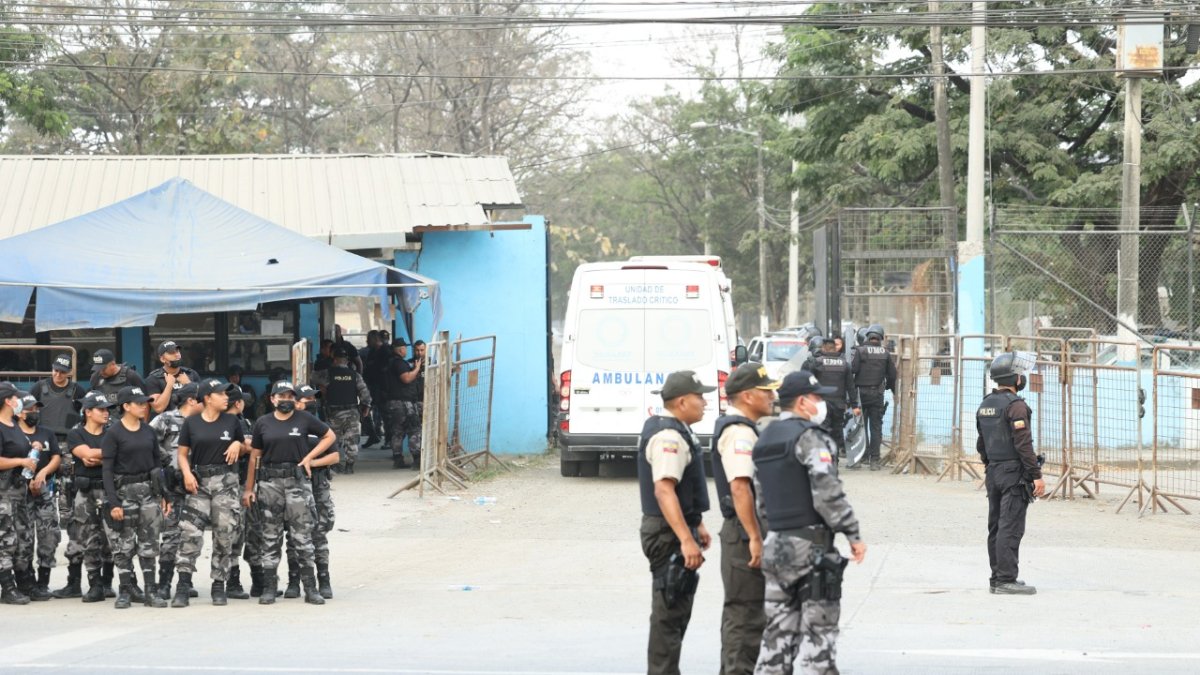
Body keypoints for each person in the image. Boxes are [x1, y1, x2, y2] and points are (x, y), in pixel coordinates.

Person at [752, 371, 868, 675]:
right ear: (803, 402)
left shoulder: (765, 439)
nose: (821, 404)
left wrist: (773, 535)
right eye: (817, 398)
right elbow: (827, 495)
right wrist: (852, 534)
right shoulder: (811, 438)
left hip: (776, 544)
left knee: (777, 636)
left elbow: (760, 500)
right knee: (820, 637)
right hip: (811, 549)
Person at [637, 370, 714, 675]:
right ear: (682, 401)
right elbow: (664, 489)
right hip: (667, 534)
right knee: (669, 613)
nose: (705, 402)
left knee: (676, 608)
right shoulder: (669, 436)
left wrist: (697, 523)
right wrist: (685, 538)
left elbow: (682, 489)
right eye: (699, 397)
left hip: (675, 529)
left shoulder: (677, 429)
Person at [710, 363, 778, 675]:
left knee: (745, 614)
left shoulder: (745, 429)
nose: (772, 396)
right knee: (746, 616)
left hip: (744, 530)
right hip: (742, 533)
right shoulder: (739, 433)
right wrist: (753, 535)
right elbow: (740, 488)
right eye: (766, 391)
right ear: (748, 396)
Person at [242, 380, 335, 605]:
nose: (286, 400)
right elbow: (255, 456)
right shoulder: (263, 423)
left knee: (303, 535)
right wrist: (248, 489)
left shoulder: (304, 419)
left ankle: (310, 588)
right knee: (270, 536)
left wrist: (311, 458)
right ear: (272, 399)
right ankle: (270, 587)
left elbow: (330, 436)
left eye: (290, 396)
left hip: (297, 482)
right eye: (281, 396)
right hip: (270, 483)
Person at [977, 352, 1044, 596]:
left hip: (993, 472)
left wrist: (990, 465)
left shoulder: (985, 404)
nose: (1022, 377)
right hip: (1013, 474)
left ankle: (998, 578)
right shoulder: (1016, 406)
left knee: (996, 526)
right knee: (1010, 526)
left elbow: (981, 443)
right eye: (1020, 374)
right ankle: (1006, 580)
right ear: (1015, 378)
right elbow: (1023, 445)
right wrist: (1035, 474)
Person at [174, 379, 244, 607]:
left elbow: (247, 447)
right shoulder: (191, 423)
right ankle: (183, 585)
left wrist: (238, 445)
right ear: (207, 398)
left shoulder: (232, 421)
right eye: (221, 394)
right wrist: (186, 474)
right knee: (190, 534)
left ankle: (218, 585)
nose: (226, 397)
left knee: (224, 535)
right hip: (199, 483)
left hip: (226, 483)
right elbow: (182, 454)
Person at [100, 385, 171, 609]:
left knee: (149, 542)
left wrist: (163, 494)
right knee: (124, 545)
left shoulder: (149, 431)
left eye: (144, 402)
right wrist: (113, 502)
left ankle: (151, 590)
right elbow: (107, 470)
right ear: (126, 406)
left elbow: (157, 464)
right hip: (124, 493)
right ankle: (125, 590)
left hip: (148, 493)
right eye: (139, 403)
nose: (144, 406)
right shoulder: (114, 433)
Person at [148, 383, 201, 602]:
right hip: (171, 487)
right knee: (171, 535)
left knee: (192, 536)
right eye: (201, 398)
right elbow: (147, 440)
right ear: (191, 400)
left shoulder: (202, 422)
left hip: (196, 486)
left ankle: (185, 580)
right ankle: (165, 582)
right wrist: (164, 466)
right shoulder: (166, 419)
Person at [66, 391, 118, 603]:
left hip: (109, 490)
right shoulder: (76, 433)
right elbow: (84, 454)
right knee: (88, 538)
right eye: (101, 409)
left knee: (111, 537)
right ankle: (94, 584)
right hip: (85, 492)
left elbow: (116, 453)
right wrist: (107, 455)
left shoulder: (113, 431)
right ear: (88, 412)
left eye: (107, 409)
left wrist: (98, 456)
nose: (106, 413)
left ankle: (107, 582)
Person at [15, 394, 61, 601]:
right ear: (19, 412)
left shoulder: (46, 433)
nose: (34, 413)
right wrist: (28, 480)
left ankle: (43, 583)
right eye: (30, 409)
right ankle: (26, 582)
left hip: (44, 491)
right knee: (23, 539)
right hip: (20, 492)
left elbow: (56, 457)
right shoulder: (13, 434)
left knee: (49, 536)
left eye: (37, 409)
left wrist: (42, 473)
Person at [296, 385, 339, 599]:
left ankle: (324, 579)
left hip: (318, 485)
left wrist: (313, 462)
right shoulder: (291, 427)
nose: (312, 401)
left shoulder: (321, 427)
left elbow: (335, 457)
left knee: (319, 533)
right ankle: (294, 581)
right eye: (307, 398)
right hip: (295, 487)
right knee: (295, 535)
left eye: (314, 398)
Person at [0, 382, 37, 604]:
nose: (19, 402)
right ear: (7, 400)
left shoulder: (13, 425)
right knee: (5, 540)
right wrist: (21, 460)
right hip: (3, 492)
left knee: (23, 537)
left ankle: (24, 582)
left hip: (19, 491)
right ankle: (7, 587)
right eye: (15, 398)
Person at [804, 337, 860, 463]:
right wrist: (855, 405)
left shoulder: (816, 362)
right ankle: (834, 459)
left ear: (823, 348)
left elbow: (808, 383)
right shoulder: (844, 364)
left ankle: (825, 458)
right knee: (837, 430)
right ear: (835, 348)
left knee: (823, 430)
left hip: (822, 404)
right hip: (839, 404)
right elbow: (850, 386)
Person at [316, 344, 371, 474]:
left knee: (333, 439)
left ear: (334, 359)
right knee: (351, 439)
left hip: (334, 412)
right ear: (346, 360)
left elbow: (314, 380)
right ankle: (349, 466)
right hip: (352, 412)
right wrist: (366, 407)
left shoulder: (327, 374)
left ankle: (334, 464)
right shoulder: (355, 375)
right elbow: (365, 393)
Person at [850, 324, 896, 470]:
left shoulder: (860, 351)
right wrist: (889, 387)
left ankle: (861, 457)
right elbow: (893, 375)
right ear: (881, 338)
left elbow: (854, 369)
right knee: (875, 427)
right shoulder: (885, 353)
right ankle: (874, 461)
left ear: (868, 336)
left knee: (859, 427)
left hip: (861, 394)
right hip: (877, 394)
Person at [385, 339, 422, 469]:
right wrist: (417, 369)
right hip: (403, 403)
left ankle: (398, 459)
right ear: (401, 350)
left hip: (394, 403)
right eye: (405, 348)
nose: (406, 350)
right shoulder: (399, 363)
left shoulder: (391, 363)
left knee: (397, 431)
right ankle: (417, 460)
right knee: (414, 429)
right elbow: (406, 378)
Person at [145, 341, 201, 415]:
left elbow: (203, 404)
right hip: (167, 423)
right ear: (162, 359)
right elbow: (158, 408)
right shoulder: (154, 378)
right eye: (171, 353)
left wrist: (188, 384)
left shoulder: (191, 374)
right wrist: (169, 385)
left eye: (177, 351)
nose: (177, 354)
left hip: (191, 421)